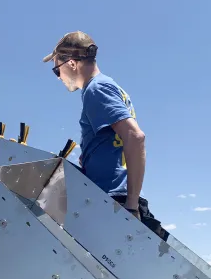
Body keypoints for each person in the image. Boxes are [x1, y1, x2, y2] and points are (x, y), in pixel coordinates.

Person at [43, 31, 168, 241]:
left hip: (114, 203)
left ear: (72, 63)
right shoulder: (107, 86)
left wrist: (130, 207)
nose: (59, 77)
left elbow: (135, 138)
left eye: (57, 70)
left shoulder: (96, 89)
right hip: (117, 199)